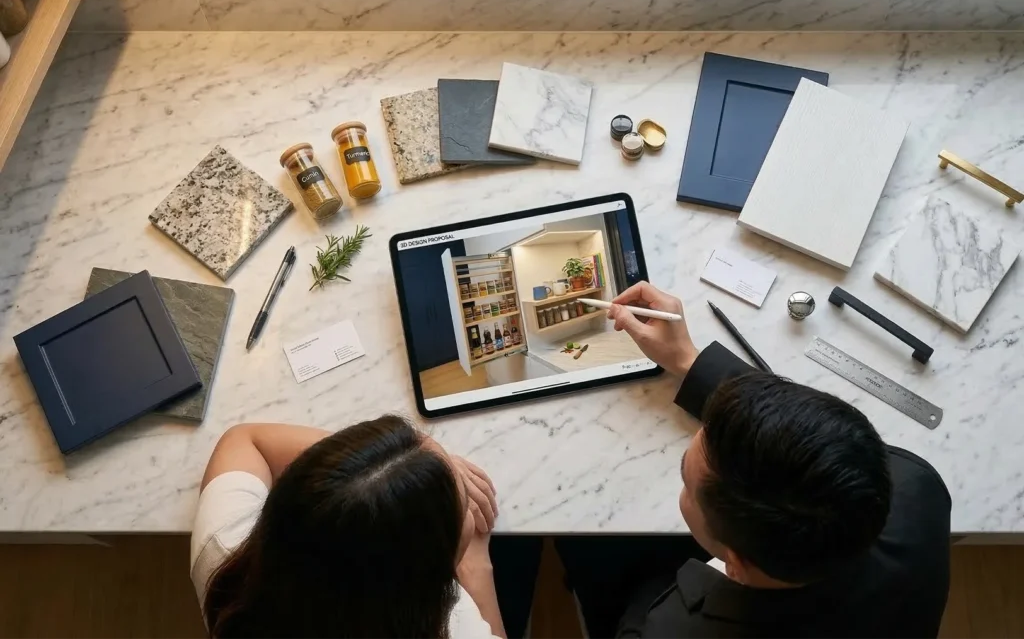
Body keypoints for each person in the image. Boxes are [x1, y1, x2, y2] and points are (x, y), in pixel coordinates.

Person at [493, 282, 952, 639]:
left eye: (686, 483)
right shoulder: (917, 490)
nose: (699, 430)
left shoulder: (668, 630)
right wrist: (689, 360)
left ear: (732, 564)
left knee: (592, 549)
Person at [190, 414, 506, 639]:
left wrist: (384, 468)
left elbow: (245, 440)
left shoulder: (226, 560)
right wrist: (475, 566)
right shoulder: (460, 626)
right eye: (464, 505)